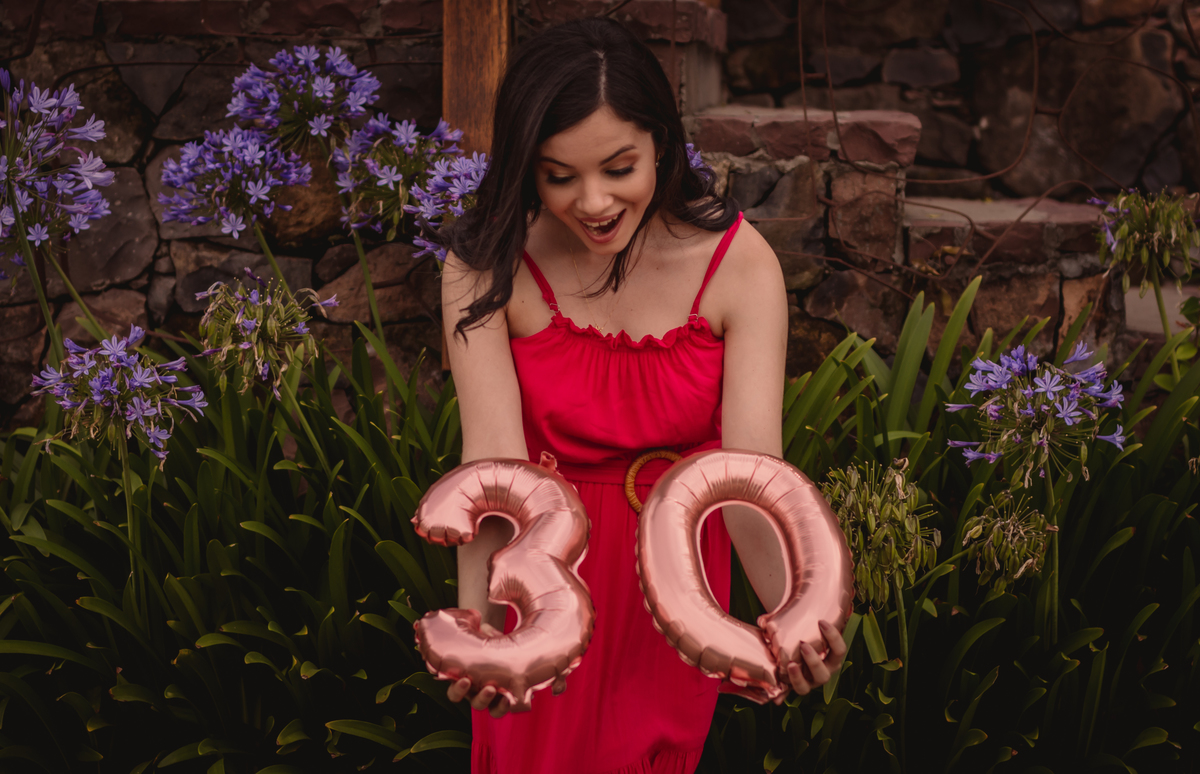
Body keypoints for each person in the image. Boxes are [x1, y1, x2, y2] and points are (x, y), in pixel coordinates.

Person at [436, 17, 847, 774]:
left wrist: (797, 616)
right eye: (559, 175)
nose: (592, 202)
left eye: (618, 167)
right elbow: (492, 465)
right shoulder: (487, 262)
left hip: (674, 584)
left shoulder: (737, 263)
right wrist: (483, 628)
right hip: (546, 583)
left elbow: (752, 476)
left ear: (662, 142)